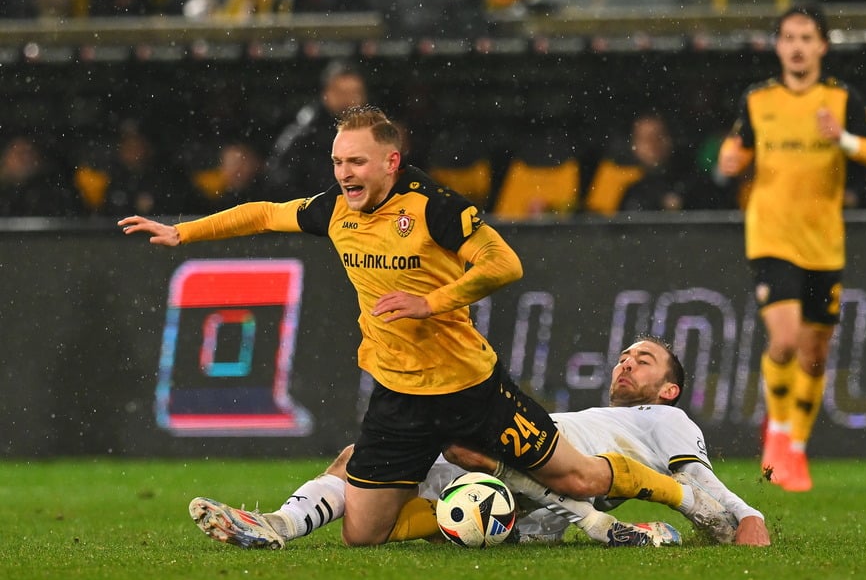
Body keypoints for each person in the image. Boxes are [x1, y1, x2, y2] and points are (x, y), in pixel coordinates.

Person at [120, 105, 732, 549]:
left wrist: (433, 302)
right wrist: (182, 232)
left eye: (356, 162)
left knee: (579, 476)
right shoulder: (334, 211)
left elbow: (505, 263)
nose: (344, 174)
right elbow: (262, 213)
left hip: (473, 389)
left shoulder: (434, 207)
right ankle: (480, 523)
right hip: (399, 396)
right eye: (337, 162)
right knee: (364, 533)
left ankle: (686, 501)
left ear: (390, 160)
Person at [187, 336, 769, 549]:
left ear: (669, 388)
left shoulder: (662, 419)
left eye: (643, 360)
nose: (625, 364)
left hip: (545, 467)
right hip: (523, 493)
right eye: (622, 356)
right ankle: (279, 525)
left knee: (454, 440)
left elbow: (702, 483)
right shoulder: (592, 411)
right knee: (362, 481)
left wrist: (744, 516)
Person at [717, 6, 866, 492]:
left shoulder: (841, 100)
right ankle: (777, 435)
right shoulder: (758, 100)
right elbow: (732, 154)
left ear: (822, 46)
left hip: (823, 242)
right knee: (784, 340)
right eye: (789, 38)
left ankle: (796, 446)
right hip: (771, 235)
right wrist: (731, 160)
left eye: (807, 37)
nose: (797, 46)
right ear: (778, 46)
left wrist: (841, 139)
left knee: (815, 353)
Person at [261, 61, 368, 201]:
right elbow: (279, 179)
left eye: (355, 92)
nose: (350, 100)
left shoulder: (371, 130)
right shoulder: (305, 131)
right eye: (342, 92)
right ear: (327, 93)